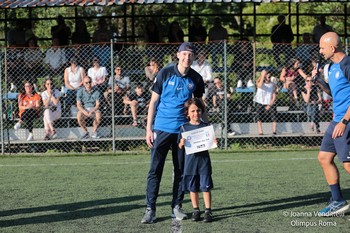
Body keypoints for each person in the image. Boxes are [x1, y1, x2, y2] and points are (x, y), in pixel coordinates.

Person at [141, 42, 206, 224]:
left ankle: (176, 207)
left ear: (193, 57)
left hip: (183, 132)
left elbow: (199, 106)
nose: (187, 57)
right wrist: (149, 129)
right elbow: (153, 102)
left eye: (190, 55)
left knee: (181, 171)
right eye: (184, 54)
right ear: (178, 55)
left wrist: (205, 128)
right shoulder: (165, 73)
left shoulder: (197, 78)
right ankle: (150, 209)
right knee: (155, 170)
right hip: (161, 128)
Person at [312, 32, 350, 216]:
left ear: (333, 48)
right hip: (337, 120)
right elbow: (335, 93)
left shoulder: (347, 64)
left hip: (346, 121)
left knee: (348, 164)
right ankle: (338, 201)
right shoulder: (332, 68)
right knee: (324, 158)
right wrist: (319, 81)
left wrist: (344, 121)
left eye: (322, 47)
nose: (320, 51)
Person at [178, 98, 216, 222]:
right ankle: (196, 210)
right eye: (193, 111)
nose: (196, 113)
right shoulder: (184, 128)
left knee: (205, 187)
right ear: (187, 113)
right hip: (190, 163)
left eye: (198, 110)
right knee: (193, 188)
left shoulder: (206, 127)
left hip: (204, 162)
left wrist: (215, 142)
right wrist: (182, 143)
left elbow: (211, 142)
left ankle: (208, 211)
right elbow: (180, 145)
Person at [253, 70, 277, 135]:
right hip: (260, 102)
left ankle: (274, 131)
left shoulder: (273, 84)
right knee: (258, 116)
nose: (268, 76)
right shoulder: (259, 82)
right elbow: (260, 85)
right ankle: (260, 131)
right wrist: (262, 75)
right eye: (267, 75)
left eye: (269, 75)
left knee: (274, 114)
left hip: (269, 102)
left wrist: (269, 105)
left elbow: (274, 97)